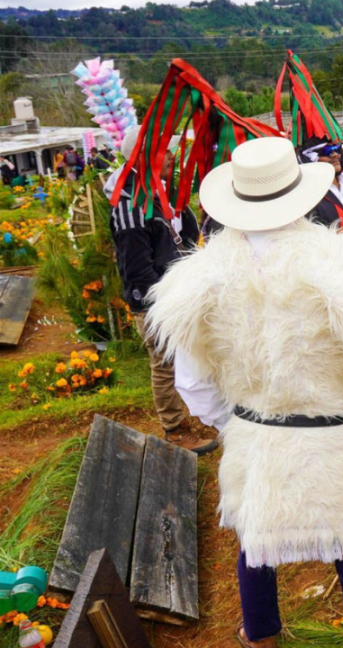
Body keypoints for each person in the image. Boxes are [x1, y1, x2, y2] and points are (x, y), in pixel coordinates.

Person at [149, 137, 343, 648]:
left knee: (256, 535)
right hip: (329, 430)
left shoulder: (201, 277)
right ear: (301, 194)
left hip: (253, 429)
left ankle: (261, 634)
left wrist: (233, 423)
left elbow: (192, 380)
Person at [104, 126, 214, 455]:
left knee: (189, 357)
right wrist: (162, 306)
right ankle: (174, 429)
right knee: (165, 363)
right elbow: (138, 270)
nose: (171, 156)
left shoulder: (159, 192)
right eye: (164, 150)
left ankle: (191, 414)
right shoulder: (130, 204)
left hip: (178, 292)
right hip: (156, 300)